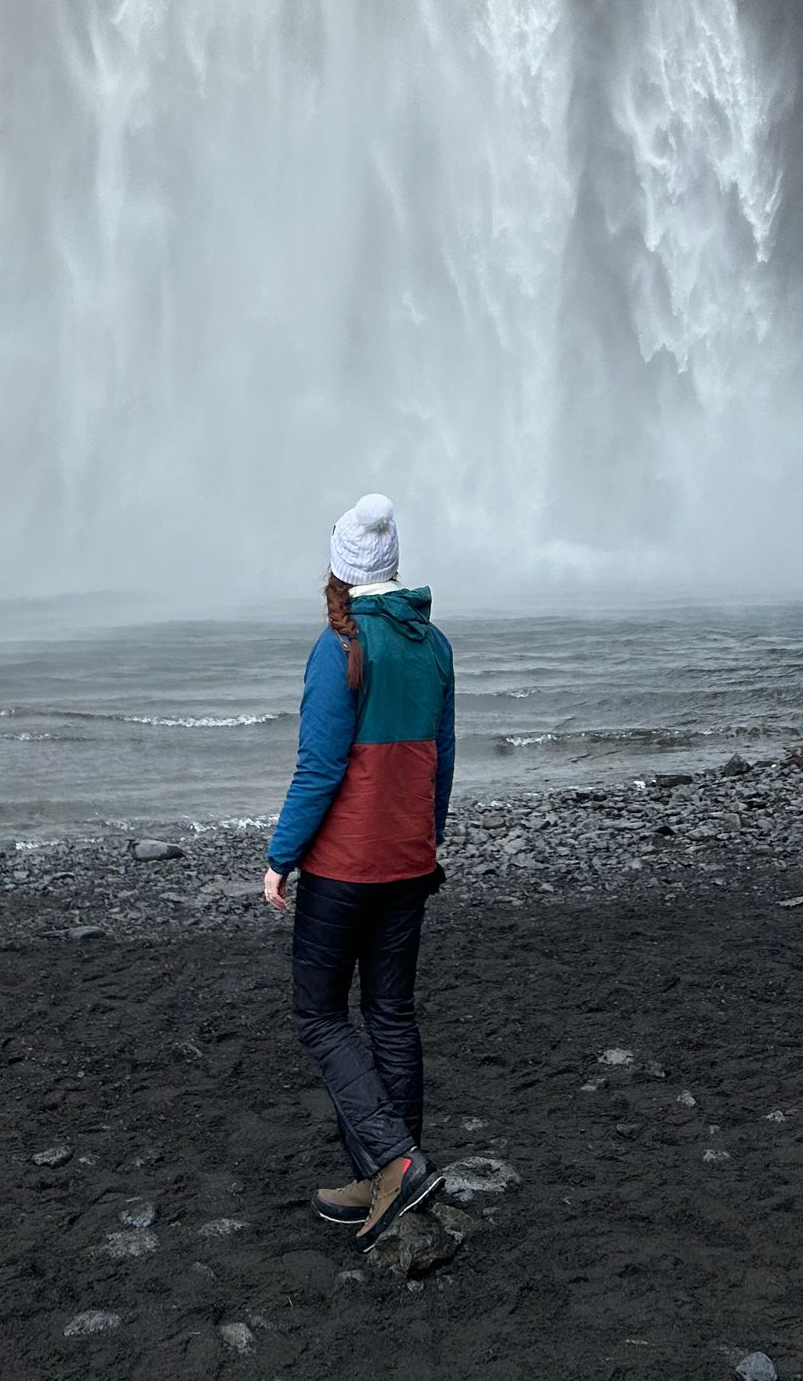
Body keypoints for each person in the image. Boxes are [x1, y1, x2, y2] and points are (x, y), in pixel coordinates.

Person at [262, 492, 456, 1251]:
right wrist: (426, 840)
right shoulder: (433, 644)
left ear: (341, 569)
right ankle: (385, 1176)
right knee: (391, 1014)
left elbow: (318, 767)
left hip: (345, 869)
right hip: (409, 861)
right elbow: (440, 763)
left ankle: (395, 1162)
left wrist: (281, 857)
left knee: (319, 1016)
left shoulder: (338, 647)